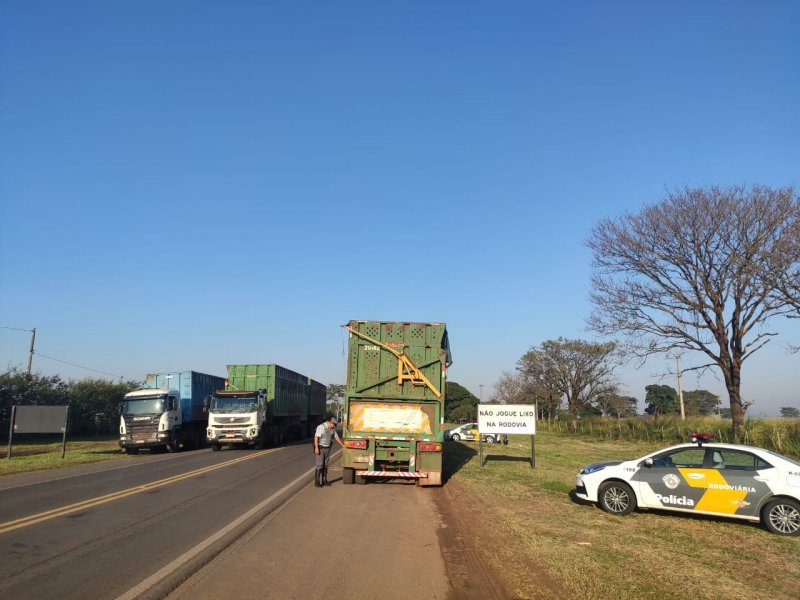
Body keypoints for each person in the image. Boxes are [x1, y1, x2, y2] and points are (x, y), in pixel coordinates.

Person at [314, 416, 344, 487]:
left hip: (327, 448)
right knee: (320, 465)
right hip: (321, 448)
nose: (334, 427)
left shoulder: (332, 429)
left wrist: (343, 445)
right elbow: (316, 437)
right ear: (330, 422)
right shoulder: (321, 427)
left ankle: (324, 480)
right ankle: (317, 482)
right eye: (334, 425)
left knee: (326, 465)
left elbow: (336, 437)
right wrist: (316, 448)